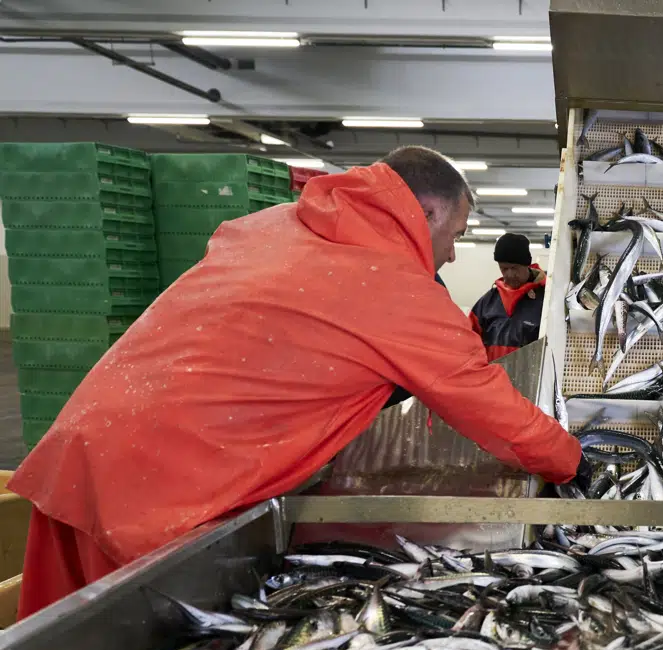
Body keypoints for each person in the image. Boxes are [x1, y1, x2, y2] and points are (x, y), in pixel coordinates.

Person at [9, 145, 588, 619]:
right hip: (160, 498)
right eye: (458, 232)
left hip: (80, 453)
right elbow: (490, 408)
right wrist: (571, 464)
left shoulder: (272, 227)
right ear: (429, 213)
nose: (454, 250)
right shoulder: (392, 284)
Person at [471, 233, 544, 362]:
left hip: (529, 378)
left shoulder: (545, 300)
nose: (509, 274)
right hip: (492, 378)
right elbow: (467, 341)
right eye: (504, 269)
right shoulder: (487, 303)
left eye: (514, 268)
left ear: (527, 264)